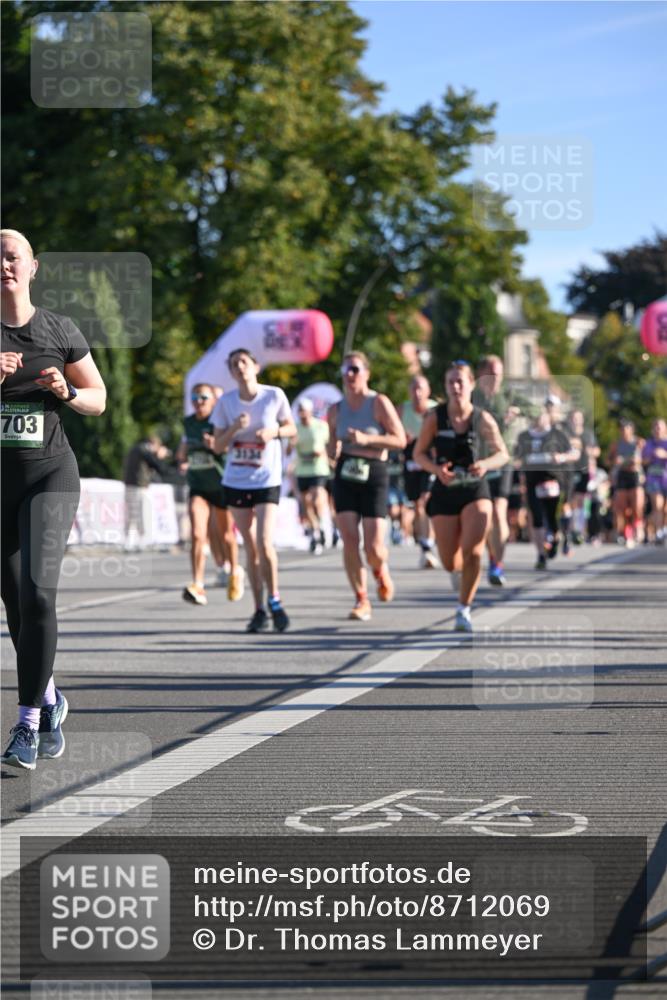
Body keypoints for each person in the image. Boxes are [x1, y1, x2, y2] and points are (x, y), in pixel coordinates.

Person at [1, 229, 106, 769]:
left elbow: (98, 398)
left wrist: (65, 391)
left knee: (40, 595)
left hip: (51, 477)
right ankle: (50, 698)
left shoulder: (58, 328)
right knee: (17, 609)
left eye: (12, 256)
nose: (4, 265)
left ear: (33, 267)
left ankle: (27, 725)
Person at [414, 361, 508, 633]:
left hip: (474, 490)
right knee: (449, 560)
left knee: (474, 551)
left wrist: (486, 465)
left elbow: (503, 453)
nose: (455, 387)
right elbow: (418, 453)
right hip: (444, 490)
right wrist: (435, 470)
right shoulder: (435, 418)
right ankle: (458, 574)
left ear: (470, 385)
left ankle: (463, 608)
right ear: (445, 386)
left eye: (460, 382)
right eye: (450, 382)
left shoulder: (482, 418)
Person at [212, 348, 296, 632]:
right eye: (234, 364)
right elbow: (217, 446)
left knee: (264, 542)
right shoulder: (226, 402)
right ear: (231, 371)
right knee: (249, 546)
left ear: (256, 366)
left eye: (243, 362)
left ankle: (275, 600)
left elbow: (291, 429)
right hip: (236, 479)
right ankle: (259, 608)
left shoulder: (274, 396)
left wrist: (274, 433)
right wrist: (235, 426)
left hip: (266, 478)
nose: (239, 367)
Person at [327, 351, 406, 621]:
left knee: (373, 546)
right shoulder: (335, 409)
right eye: (346, 370)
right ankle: (361, 599)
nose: (350, 375)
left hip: (374, 473)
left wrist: (366, 439)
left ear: (366, 374)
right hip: (346, 473)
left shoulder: (378, 403)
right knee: (349, 539)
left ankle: (379, 570)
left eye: (355, 370)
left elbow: (400, 441)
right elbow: (331, 443)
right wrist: (331, 453)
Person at [177, 383, 243, 605]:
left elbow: (226, 448)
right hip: (198, 485)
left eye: (203, 397)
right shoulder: (188, 423)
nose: (198, 402)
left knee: (226, 536)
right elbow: (182, 452)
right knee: (197, 533)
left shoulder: (219, 420)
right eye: (195, 398)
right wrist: (183, 459)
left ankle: (234, 572)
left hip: (221, 484)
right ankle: (198, 584)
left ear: (213, 401)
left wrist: (214, 444)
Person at [473, 356, 534, 586]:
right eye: (492, 374)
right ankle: (479, 556)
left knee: (499, 512)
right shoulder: (473, 396)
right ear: (481, 374)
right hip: (477, 461)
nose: (496, 378)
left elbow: (536, 409)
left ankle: (497, 564)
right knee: (481, 514)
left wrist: (518, 410)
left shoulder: (507, 395)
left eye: (499, 374)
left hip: (502, 460)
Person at [514, 408, 579, 570]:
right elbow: (516, 457)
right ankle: (541, 554)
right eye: (535, 416)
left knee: (552, 518)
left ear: (547, 417)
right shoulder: (524, 437)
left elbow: (575, 453)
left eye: (541, 416)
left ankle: (557, 538)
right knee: (536, 517)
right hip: (532, 482)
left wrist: (561, 457)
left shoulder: (557, 434)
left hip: (554, 482)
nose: (538, 420)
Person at [399, 375, 437, 568]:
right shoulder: (402, 411)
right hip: (411, 463)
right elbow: (392, 432)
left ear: (428, 391)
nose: (417, 393)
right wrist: (400, 437)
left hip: (430, 462)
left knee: (425, 502)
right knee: (417, 506)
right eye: (413, 388)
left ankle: (427, 546)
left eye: (421, 388)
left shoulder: (435, 410)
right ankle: (425, 544)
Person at [289, 398, 330, 555]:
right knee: (306, 503)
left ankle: (323, 522)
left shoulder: (320, 426)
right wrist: (291, 445)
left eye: (304, 411)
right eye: (299, 411)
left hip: (318, 468)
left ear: (310, 411)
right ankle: (316, 531)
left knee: (317, 497)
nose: (302, 414)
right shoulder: (295, 428)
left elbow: (327, 445)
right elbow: (288, 451)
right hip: (303, 470)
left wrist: (325, 453)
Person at [122, 433, 170, 550]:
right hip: (138, 486)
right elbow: (158, 466)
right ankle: (137, 540)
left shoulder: (136, 448)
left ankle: (131, 541)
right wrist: (159, 456)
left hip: (131, 484)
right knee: (139, 514)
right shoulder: (143, 449)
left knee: (132, 514)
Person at [565, 408, 600, 546]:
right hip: (568, 470)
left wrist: (588, 451)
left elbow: (597, 451)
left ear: (582, 420)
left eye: (578, 418)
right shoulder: (566, 433)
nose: (576, 420)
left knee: (579, 499)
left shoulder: (588, 434)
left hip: (583, 471)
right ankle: (570, 529)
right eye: (573, 418)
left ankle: (578, 530)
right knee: (569, 500)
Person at [608, 419, 645, 548]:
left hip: (635, 475)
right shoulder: (616, 444)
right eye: (622, 429)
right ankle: (626, 533)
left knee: (637, 507)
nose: (624, 431)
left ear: (632, 429)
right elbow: (608, 460)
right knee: (621, 508)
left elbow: (647, 459)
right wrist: (615, 460)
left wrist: (638, 461)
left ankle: (638, 528)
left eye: (627, 428)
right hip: (622, 475)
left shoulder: (639, 442)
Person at [642, 418, 667, 545]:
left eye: (660, 427)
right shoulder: (648, 444)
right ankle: (658, 533)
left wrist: (664, 455)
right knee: (657, 505)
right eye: (655, 427)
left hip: (666, 478)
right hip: (653, 478)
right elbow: (643, 460)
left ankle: (663, 529)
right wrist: (652, 455)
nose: (657, 429)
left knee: (665, 509)